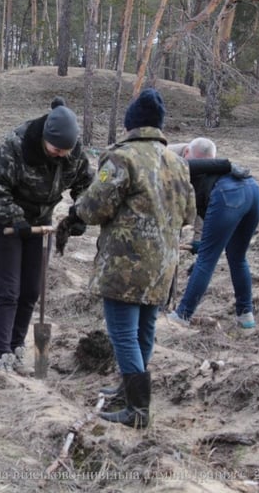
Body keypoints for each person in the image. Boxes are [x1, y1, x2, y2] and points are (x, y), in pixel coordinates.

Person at [66, 88, 196, 428]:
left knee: (123, 333)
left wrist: (75, 210)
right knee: (145, 330)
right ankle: (129, 388)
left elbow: (94, 208)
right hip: (163, 266)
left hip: (126, 265)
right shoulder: (179, 163)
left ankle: (137, 409)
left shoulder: (122, 158)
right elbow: (189, 214)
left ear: (130, 124)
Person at [0, 97, 93, 375]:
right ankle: (2, 353)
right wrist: (14, 217)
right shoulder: (15, 146)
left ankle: (18, 348)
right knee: (9, 290)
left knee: (31, 290)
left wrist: (79, 214)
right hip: (6, 222)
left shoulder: (73, 152)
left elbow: (85, 185)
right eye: (56, 149)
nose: (61, 155)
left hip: (41, 223)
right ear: (44, 138)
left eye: (66, 151)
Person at [167, 155, 259, 329]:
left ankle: (183, 314)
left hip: (228, 194)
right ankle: (246, 315)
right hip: (254, 190)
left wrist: (202, 246)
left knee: (206, 259)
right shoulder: (206, 171)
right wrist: (201, 241)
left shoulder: (177, 168)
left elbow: (188, 214)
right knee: (238, 257)